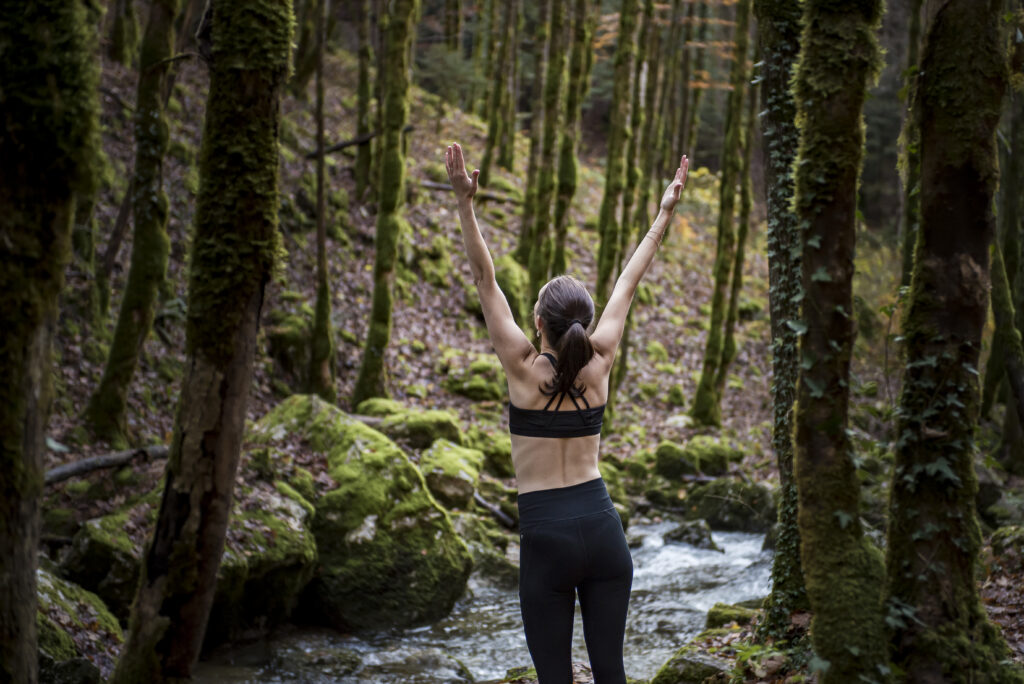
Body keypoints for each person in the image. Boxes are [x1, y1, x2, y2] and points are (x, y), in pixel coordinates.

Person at [445, 142, 688, 684]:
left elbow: (486, 281)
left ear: (538, 321)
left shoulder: (523, 370)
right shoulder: (599, 365)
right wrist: (664, 212)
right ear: (584, 323)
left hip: (547, 538)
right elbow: (630, 279)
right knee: (612, 673)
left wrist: (465, 204)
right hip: (604, 531)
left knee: (554, 678)